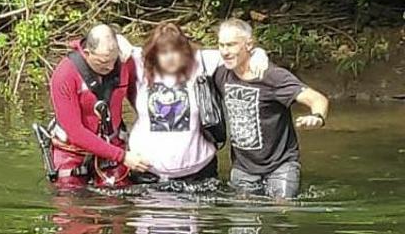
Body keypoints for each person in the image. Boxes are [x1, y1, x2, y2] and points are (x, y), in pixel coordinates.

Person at [117, 22, 267, 183]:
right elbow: (104, 42)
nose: (170, 58)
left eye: (176, 52)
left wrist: (258, 53)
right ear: (154, 54)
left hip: (198, 171)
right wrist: (119, 40)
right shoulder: (140, 63)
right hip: (147, 171)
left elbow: (237, 54)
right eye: (163, 53)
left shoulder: (201, 62)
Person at [214, 18, 330, 199]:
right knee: (242, 223)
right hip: (243, 168)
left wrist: (317, 116)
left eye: (231, 45)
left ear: (249, 44)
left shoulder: (272, 76)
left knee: (280, 217)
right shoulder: (221, 74)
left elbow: (317, 98)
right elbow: (184, 56)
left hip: (281, 166)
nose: (225, 51)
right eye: (221, 45)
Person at [48, 24, 149, 189]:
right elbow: (75, 132)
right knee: (69, 198)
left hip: (112, 142)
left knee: (118, 201)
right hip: (72, 150)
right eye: (103, 62)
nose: (109, 67)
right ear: (87, 53)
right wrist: (122, 157)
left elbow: (143, 105)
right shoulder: (65, 74)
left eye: (113, 60)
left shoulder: (124, 62)